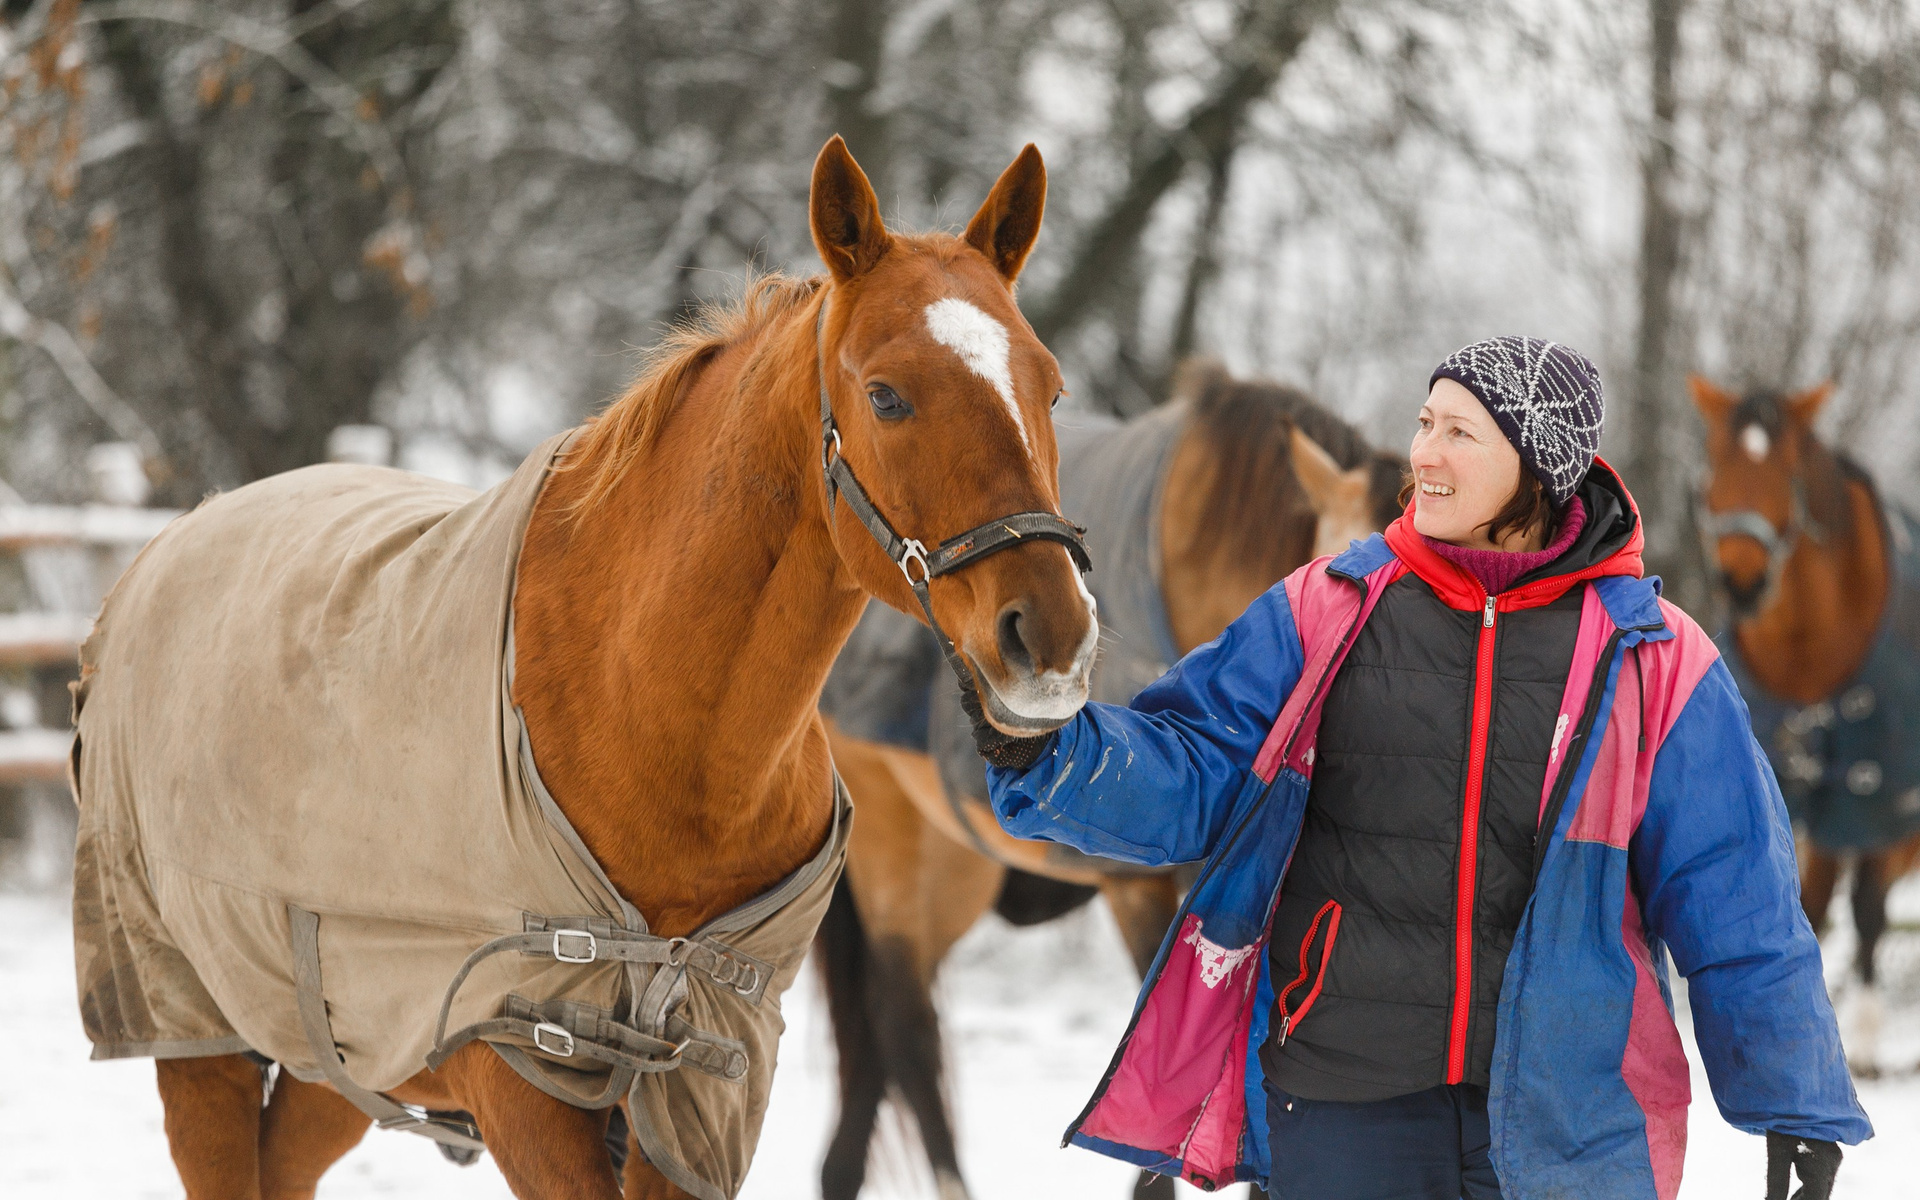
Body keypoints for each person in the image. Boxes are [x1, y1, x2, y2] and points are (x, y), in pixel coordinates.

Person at [972, 337, 1871, 1200]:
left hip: (1575, 1121)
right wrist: (1046, 747)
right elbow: (1194, 765)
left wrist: (1795, 1099)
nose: (1423, 454)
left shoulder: (1651, 657)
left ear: (1537, 466)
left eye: (1460, 432)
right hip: (1346, 1104)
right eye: (1424, 422)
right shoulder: (1328, 609)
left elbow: (1738, 897)